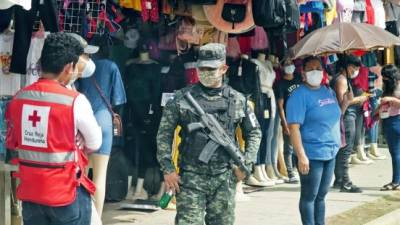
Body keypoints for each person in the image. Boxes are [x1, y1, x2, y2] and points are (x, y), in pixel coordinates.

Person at [157, 43, 262, 225]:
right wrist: (168, 169)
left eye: (211, 68)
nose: (205, 72)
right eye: (202, 68)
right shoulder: (182, 99)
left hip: (224, 178)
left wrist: (246, 164)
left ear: (223, 68)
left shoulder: (237, 99)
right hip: (190, 178)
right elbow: (164, 134)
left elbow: (254, 132)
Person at [5, 32, 102, 225]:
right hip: (66, 194)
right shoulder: (75, 101)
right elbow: (95, 142)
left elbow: (15, 141)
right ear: (68, 68)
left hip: (31, 195)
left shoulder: (18, 99)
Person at [286, 56, 341, 225]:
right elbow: (293, 128)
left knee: (321, 196)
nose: (315, 72)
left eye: (318, 68)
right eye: (310, 69)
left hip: (330, 151)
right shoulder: (298, 95)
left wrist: (344, 102)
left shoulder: (328, 91)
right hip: (312, 153)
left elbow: (335, 116)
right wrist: (301, 155)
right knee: (309, 196)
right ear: (303, 73)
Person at [332, 55, 368, 193]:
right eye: (353, 67)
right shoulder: (341, 80)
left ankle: (339, 179)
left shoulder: (341, 78)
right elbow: (343, 102)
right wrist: (360, 98)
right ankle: (345, 181)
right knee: (345, 151)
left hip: (347, 117)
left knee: (343, 150)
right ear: (345, 66)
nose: (356, 70)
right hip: (346, 117)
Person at [276, 58, 302, 183]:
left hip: (302, 117)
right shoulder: (280, 84)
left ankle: (301, 168)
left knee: (301, 145)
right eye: (286, 64)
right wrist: (284, 123)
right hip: (290, 118)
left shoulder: (299, 79)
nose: (289, 66)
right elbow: (280, 106)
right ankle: (290, 173)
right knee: (289, 147)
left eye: (291, 63)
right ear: (282, 67)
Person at [379, 64, 400, 191]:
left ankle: (396, 181)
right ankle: (396, 180)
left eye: (385, 76)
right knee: (395, 153)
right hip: (388, 119)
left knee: (396, 153)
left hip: (395, 120)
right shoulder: (388, 86)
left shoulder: (397, 86)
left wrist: (390, 99)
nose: (383, 79)